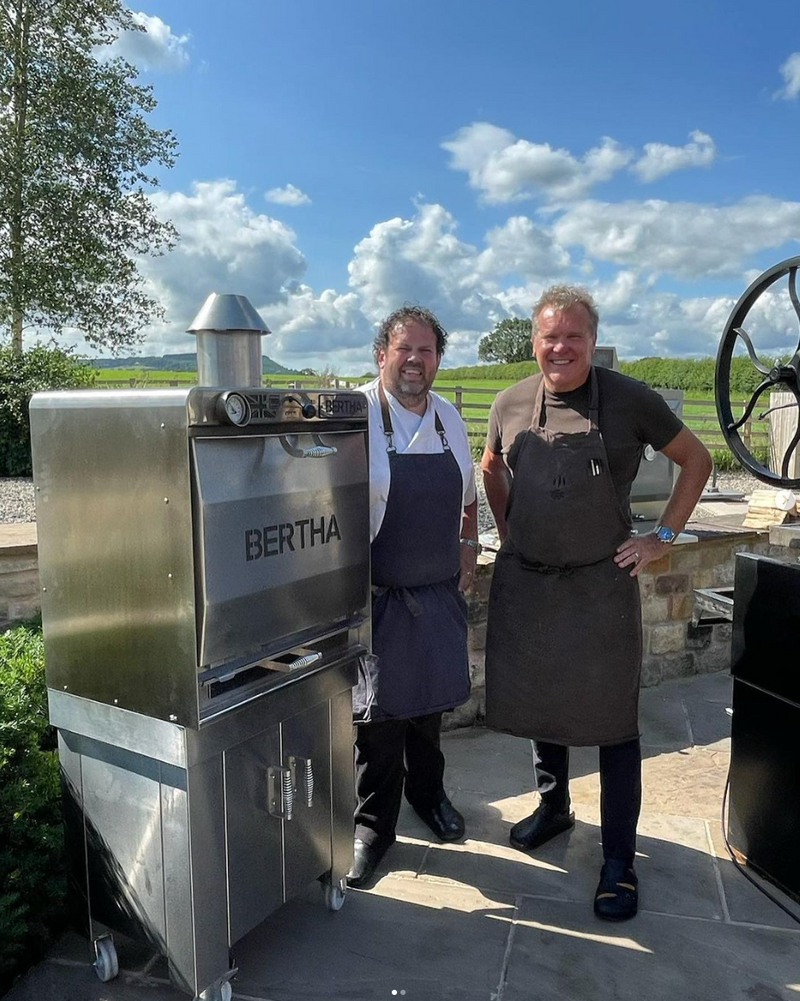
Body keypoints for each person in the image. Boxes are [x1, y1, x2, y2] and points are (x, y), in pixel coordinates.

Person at [481, 285, 712, 920]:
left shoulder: (630, 399)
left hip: (598, 586)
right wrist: (510, 533)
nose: (560, 347)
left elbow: (696, 459)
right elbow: (491, 467)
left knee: (614, 724)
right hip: (530, 583)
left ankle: (617, 861)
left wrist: (661, 538)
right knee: (539, 701)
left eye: (573, 337)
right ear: (534, 342)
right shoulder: (510, 401)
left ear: (592, 340)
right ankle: (554, 807)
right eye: (549, 337)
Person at [347, 305, 479, 889]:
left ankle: (430, 798)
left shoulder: (450, 417)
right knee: (377, 723)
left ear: (437, 359)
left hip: (436, 591)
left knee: (429, 714)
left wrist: (470, 544)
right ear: (382, 356)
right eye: (404, 350)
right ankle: (372, 829)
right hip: (377, 597)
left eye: (426, 351)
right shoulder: (355, 415)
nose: (415, 361)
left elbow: (469, 495)